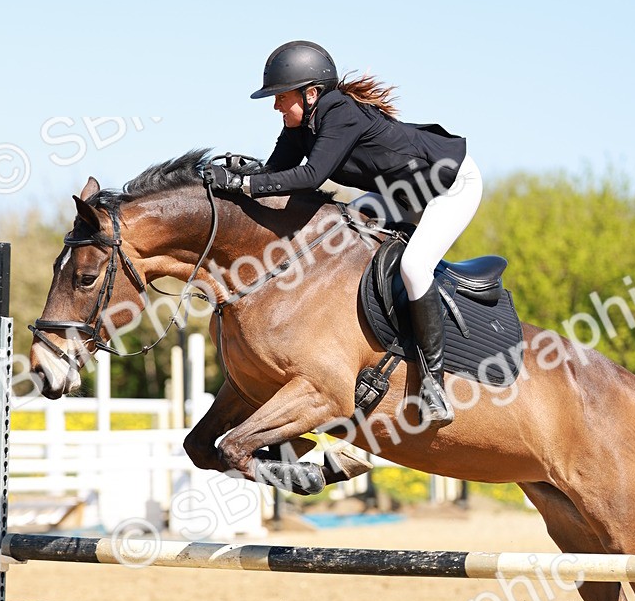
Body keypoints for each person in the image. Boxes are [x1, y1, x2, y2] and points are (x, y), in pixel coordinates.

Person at [203, 40, 483, 428]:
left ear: (311, 92)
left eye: (281, 97)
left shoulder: (340, 113)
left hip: (449, 185)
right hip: (399, 192)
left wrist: (243, 185)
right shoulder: (299, 125)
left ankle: (433, 384)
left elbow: (311, 177)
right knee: (345, 228)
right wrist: (236, 178)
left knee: (416, 267)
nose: (275, 105)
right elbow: (275, 175)